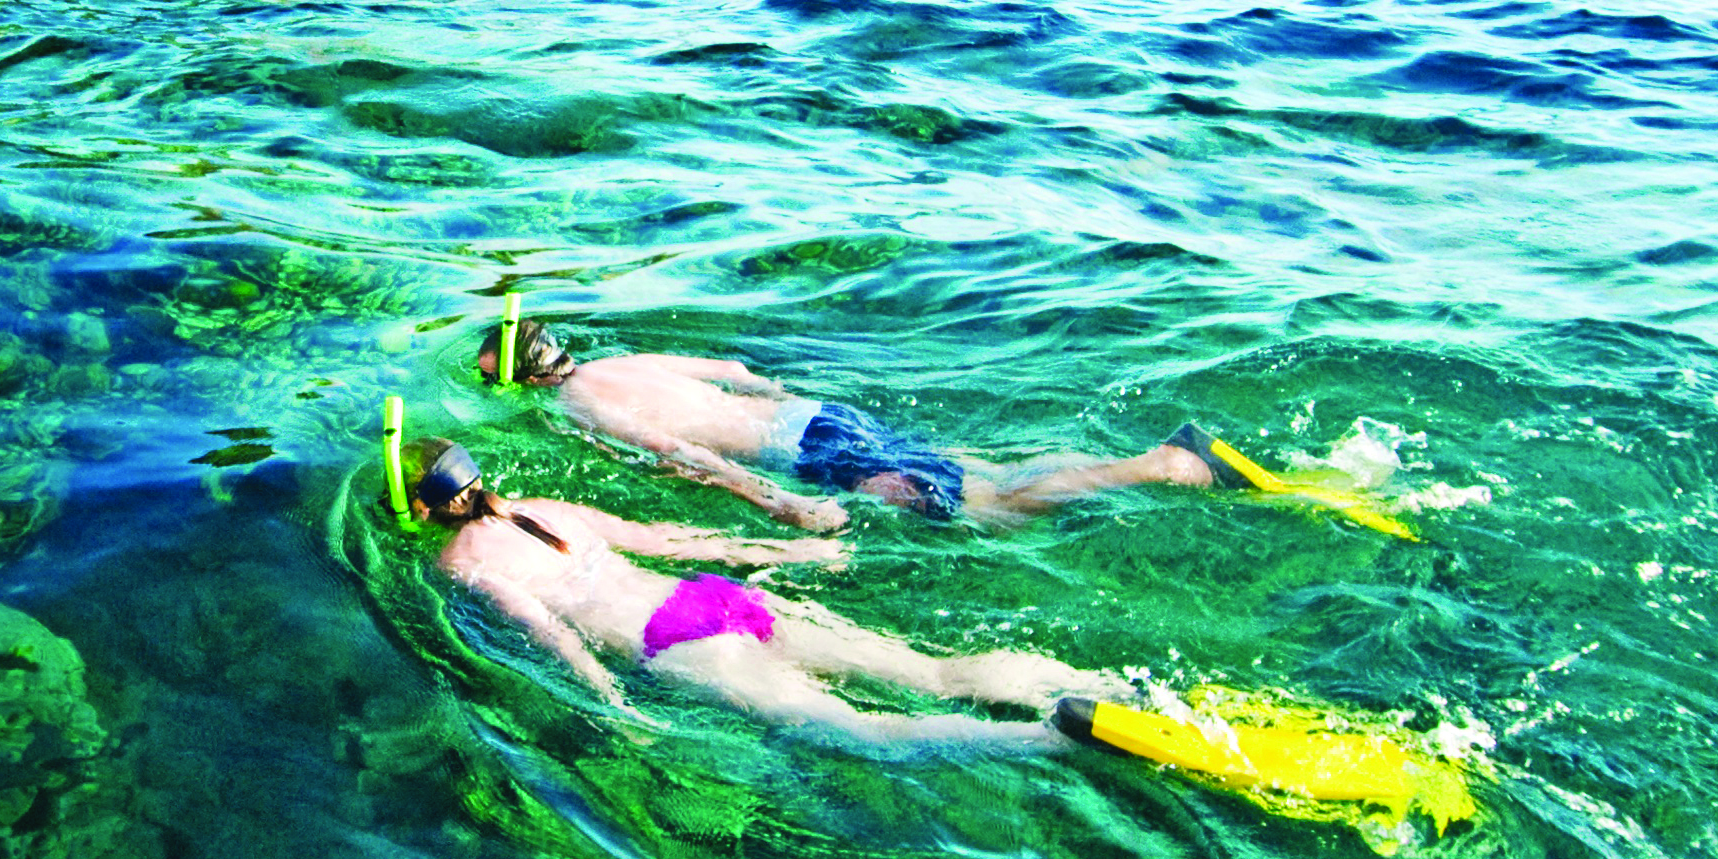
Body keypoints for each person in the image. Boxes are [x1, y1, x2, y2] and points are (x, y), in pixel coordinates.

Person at [398, 438, 1158, 759]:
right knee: (932, 671)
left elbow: (548, 634)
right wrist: (789, 549)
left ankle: (1048, 741)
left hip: (670, 641)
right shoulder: (544, 509)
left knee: (855, 728)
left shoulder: (460, 561)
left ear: (422, 508)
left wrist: (610, 703)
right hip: (712, 598)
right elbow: (671, 538)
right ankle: (1098, 688)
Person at [475, 318, 1227, 531]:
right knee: (977, 472)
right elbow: (737, 374)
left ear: (520, 379)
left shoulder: (582, 406)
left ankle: (1159, 466)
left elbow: (682, 453)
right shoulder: (624, 360)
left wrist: (777, 502)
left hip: (803, 454)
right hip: (817, 415)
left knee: (987, 513)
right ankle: (1124, 460)